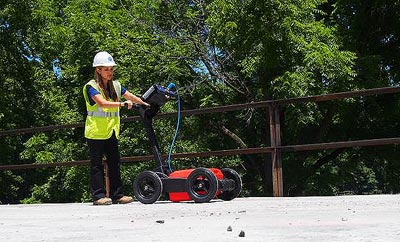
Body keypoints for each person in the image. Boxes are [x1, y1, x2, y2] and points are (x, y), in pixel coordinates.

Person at [83, 51, 150, 205]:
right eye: (106, 69)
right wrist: (122, 104)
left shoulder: (116, 85)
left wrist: (144, 103)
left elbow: (131, 96)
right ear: (98, 70)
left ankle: (117, 195)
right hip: (95, 132)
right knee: (97, 165)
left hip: (112, 130)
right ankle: (98, 197)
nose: (110, 72)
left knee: (115, 162)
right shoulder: (90, 86)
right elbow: (102, 103)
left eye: (111, 69)